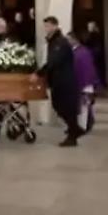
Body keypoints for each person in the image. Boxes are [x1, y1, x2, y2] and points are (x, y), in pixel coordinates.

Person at [32, 16, 82, 147]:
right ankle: (75, 129)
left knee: (65, 107)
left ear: (55, 26)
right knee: (59, 106)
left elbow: (55, 61)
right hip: (57, 79)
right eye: (45, 26)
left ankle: (73, 135)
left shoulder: (60, 42)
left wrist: (39, 73)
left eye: (48, 26)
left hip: (64, 80)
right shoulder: (53, 41)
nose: (46, 29)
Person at [69, 31, 101, 134]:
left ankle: (83, 127)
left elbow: (86, 69)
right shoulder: (76, 51)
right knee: (81, 107)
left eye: (69, 39)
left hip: (84, 84)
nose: (67, 41)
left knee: (84, 107)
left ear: (75, 39)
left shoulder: (82, 52)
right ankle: (81, 125)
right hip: (78, 83)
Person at [85, 21, 107, 87]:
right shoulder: (97, 34)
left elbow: (88, 43)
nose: (88, 28)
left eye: (89, 26)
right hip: (97, 54)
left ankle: (96, 84)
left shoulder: (93, 35)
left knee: (94, 70)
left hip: (93, 54)